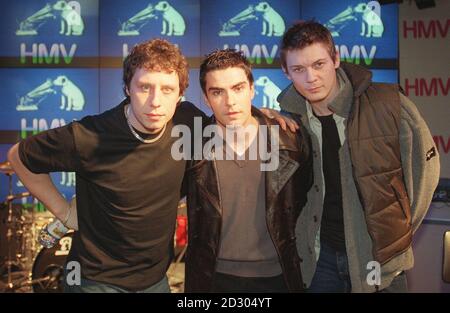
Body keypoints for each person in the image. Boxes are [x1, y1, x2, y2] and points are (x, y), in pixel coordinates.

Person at [7, 39, 296, 293]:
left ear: (180, 95)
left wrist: (263, 115)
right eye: (145, 87)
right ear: (127, 88)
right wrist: (64, 212)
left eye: (167, 89)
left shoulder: (187, 122)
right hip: (96, 280)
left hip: (155, 280)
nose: (155, 101)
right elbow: (19, 155)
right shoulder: (89, 135)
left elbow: (231, 115)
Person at [277, 21, 440, 293]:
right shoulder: (289, 122)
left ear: (336, 59)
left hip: (378, 259)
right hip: (319, 260)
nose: (311, 78)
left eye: (319, 64)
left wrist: (396, 237)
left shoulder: (389, 105)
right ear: (286, 72)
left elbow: (426, 175)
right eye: (298, 69)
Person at [184, 49, 313, 293]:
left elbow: (309, 201)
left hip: (279, 276)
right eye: (217, 92)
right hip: (212, 278)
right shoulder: (192, 147)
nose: (230, 101)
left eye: (238, 88)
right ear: (205, 98)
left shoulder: (290, 140)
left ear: (252, 89)